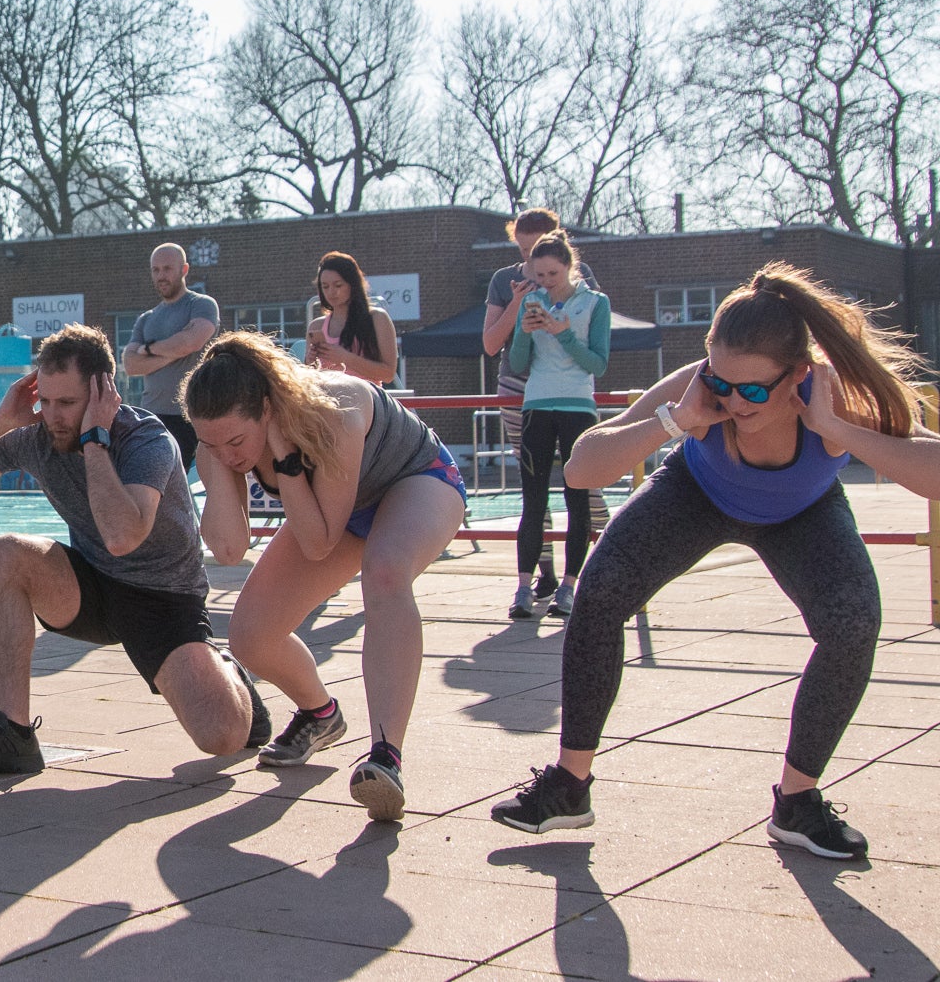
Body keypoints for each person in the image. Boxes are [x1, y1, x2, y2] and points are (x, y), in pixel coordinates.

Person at [492, 263, 940, 859]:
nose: (734, 399)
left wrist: (835, 429)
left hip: (800, 511)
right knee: (599, 592)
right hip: (697, 494)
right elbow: (580, 469)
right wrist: (679, 419)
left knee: (853, 621)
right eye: (722, 381)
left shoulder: (834, 398)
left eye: (754, 390)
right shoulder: (698, 389)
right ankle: (570, 786)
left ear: (797, 376)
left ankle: (797, 802)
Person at [0, 323, 269, 775]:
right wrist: (0, 420)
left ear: (103, 394)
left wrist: (94, 439)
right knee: (2, 552)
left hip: (163, 599)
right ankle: (13, 733)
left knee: (222, 737)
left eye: (68, 403)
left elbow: (124, 537)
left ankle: (226, 670)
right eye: (47, 401)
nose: (54, 415)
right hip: (91, 588)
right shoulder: (36, 435)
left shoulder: (146, 439)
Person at [186, 330, 468, 822]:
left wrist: (288, 460)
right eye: (213, 441)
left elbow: (320, 543)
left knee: (384, 574)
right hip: (335, 509)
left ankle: (386, 757)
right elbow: (229, 549)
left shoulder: (333, 409)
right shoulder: (220, 438)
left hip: (416, 482)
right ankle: (320, 714)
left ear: (268, 409)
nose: (231, 455)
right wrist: (216, 464)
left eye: (236, 441)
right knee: (250, 636)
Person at [482, 207, 610, 596]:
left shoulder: (581, 285)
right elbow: (491, 344)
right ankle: (545, 572)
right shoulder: (506, 280)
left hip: (570, 394)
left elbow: (594, 351)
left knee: (584, 486)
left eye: (534, 249)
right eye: (521, 250)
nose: (528, 260)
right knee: (534, 487)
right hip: (521, 390)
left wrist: (562, 331)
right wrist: (519, 309)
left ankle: (606, 563)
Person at [121, 242, 222, 471]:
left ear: (184, 269)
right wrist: (174, 352)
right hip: (152, 415)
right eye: (156, 270)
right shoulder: (146, 318)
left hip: (192, 415)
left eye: (167, 269)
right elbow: (130, 364)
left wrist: (148, 350)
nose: (161, 276)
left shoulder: (201, 305)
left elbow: (192, 341)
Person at [306, 252, 398, 385]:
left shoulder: (377, 319)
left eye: (338, 285)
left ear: (352, 285)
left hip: (367, 399)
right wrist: (310, 363)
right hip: (329, 399)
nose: (331, 292)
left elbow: (388, 374)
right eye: (325, 286)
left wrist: (345, 358)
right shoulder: (316, 327)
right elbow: (310, 380)